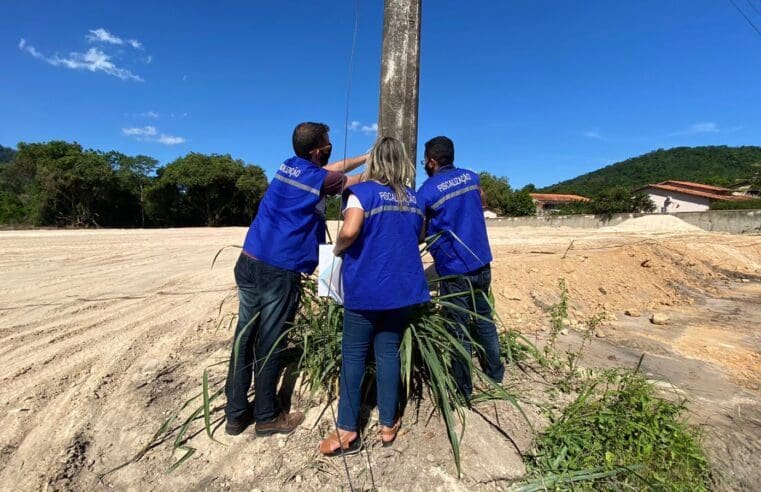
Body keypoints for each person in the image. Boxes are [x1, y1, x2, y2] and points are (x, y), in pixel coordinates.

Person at [225, 122, 366, 436]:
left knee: (245, 337)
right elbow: (353, 180)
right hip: (278, 270)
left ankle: (235, 414)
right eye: (328, 143)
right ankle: (266, 416)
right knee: (270, 342)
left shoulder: (289, 167)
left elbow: (335, 168)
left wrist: (366, 154)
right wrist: (383, 162)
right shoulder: (318, 180)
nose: (331, 147)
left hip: (249, 261)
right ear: (317, 150)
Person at [319, 137, 430, 455]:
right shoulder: (413, 199)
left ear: (375, 161)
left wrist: (339, 247)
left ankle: (347, 430)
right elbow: (418, 234)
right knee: (387, 353)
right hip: (403, 292)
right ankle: (387, 424)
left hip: (366, 291)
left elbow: (351, 231)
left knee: (353, 356)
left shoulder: (361, 193)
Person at [417, 136, 504, 398]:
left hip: (454, 270)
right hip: (481, 263)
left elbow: (418, 232)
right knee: (484, 319)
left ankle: (462, 390)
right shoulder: (472, 178)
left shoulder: (427, 191)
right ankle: (495, 373)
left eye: (425, 161)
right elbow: (482, 202)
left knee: (458, 329)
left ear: (431, 161)